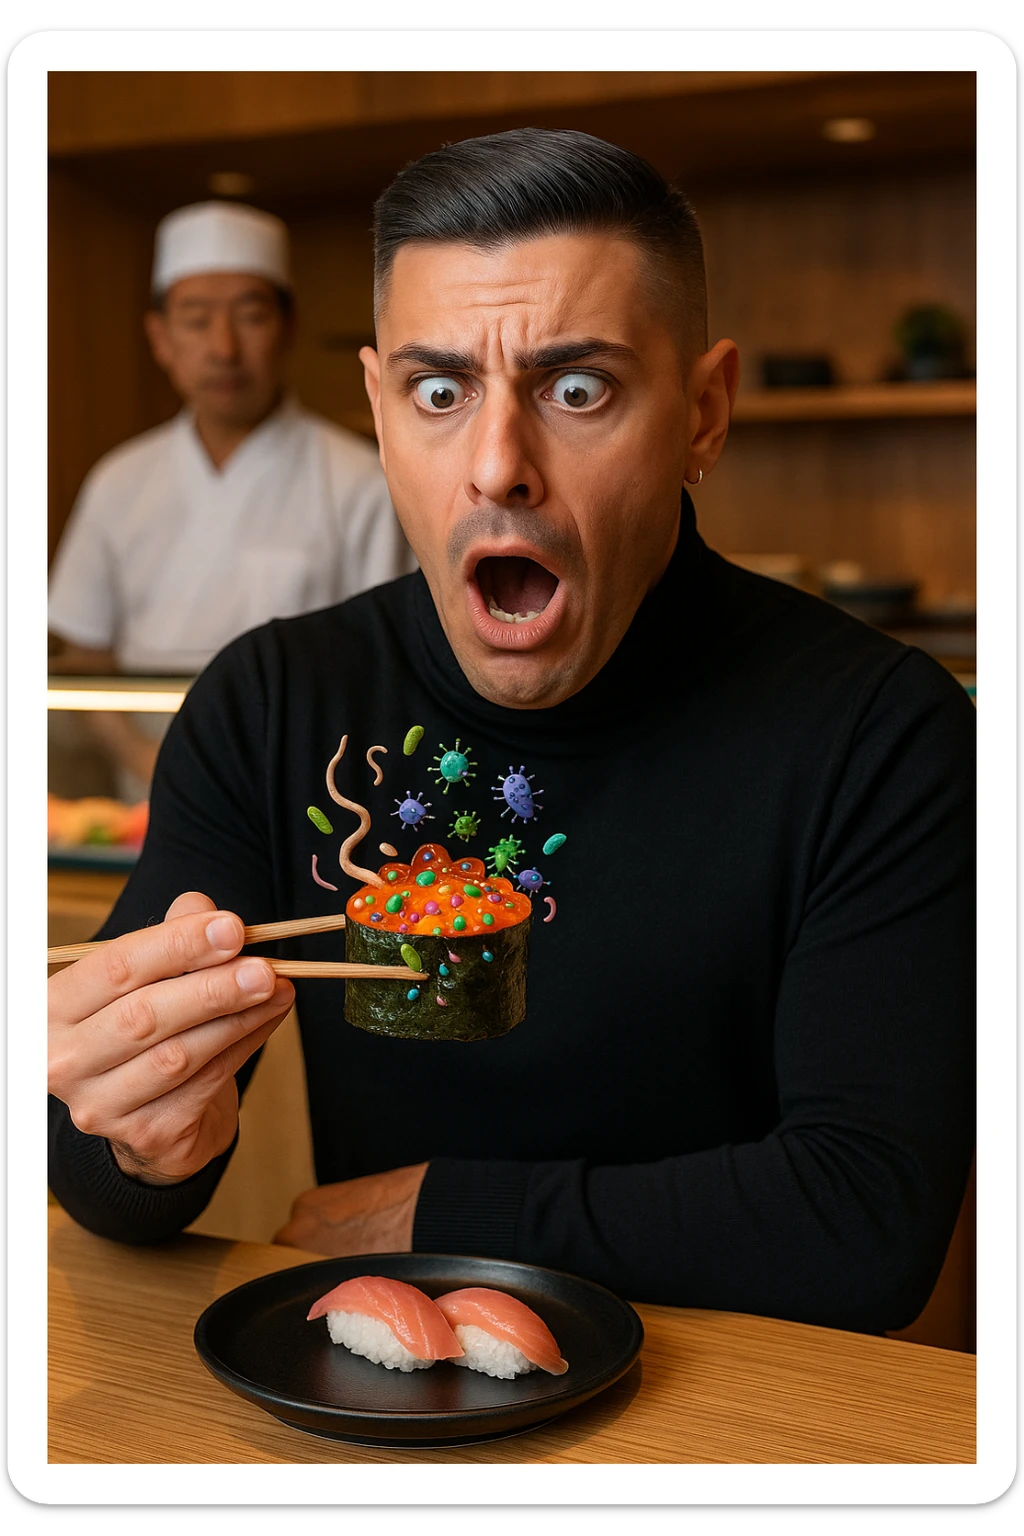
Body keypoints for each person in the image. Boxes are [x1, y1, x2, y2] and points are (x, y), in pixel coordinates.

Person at [47, 130, 975, 1334]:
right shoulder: (275, 700)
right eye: (440, 393)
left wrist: (435, 1211)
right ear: (381, 415)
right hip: (391, 1389)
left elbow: (866, 1226)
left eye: (578, 388)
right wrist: (141, 1139)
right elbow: (101, 1183)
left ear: (702, 412)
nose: (497, 465)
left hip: (746, 1403)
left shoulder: (880, 731)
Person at [47, 199, 414, 796]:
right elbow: (86, 658)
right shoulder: (117, 481)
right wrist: (151, 766)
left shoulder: (362, 483)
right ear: (159, 337)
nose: (223, 347)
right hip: (146, 805)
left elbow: (388, 670)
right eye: (195, 319)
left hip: (306, 801)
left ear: (288, 327)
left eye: (249, 315)